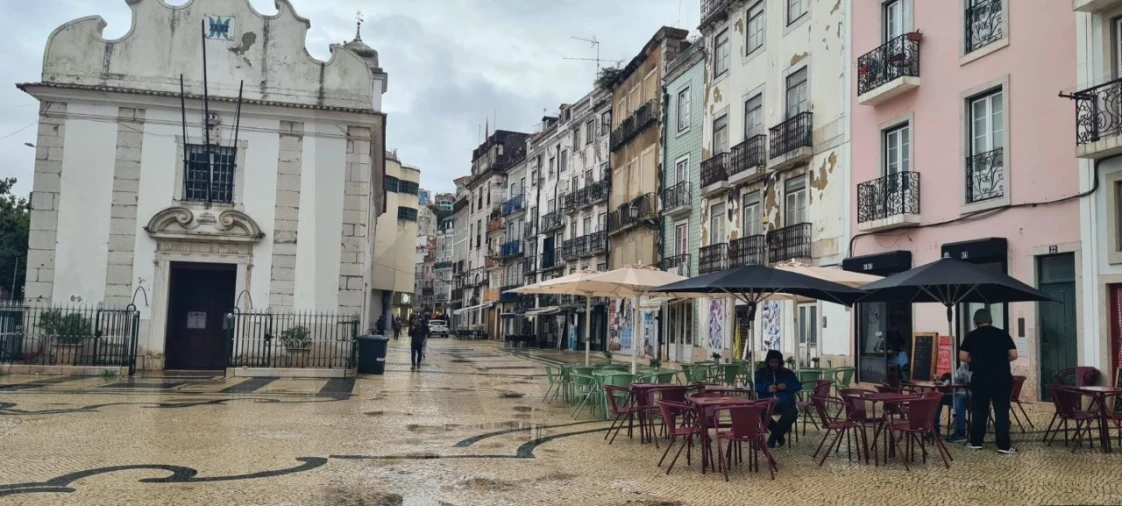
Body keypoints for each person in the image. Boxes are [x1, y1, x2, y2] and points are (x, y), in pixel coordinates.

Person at [960, 308, 1018, 454]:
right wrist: (1000, 360)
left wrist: (977, 360)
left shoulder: (971, 336)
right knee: (1002, 411)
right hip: (1002, 378)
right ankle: (1004, 446)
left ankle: (976, 442)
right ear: (990, 320)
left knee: (979, 410)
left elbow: (963, 357)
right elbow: (1014, 354)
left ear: (976, 322)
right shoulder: (1002, 334)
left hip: (980, 378)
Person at [754, 350, 803, 448]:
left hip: (784, 402)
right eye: (772, 362)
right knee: (759, 413)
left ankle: (773, 438)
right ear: (768, 362)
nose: (774, 364)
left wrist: (786, 386)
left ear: (780, 362)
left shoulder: (787, 373)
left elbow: (797, 385)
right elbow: (753, 385)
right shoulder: (760, 373)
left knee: (792, 413)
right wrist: (766, 388)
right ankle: (779, 436)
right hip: (766, 402)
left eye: (776, 362)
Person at [933, 362, 972, 443]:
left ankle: (960, 433)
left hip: (974, 396)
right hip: (960, 392)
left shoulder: (981, 366)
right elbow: (956, 378)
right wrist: (949, 380)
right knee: (938, 397)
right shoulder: (964, 366)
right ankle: (934, 428)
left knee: (959, 398)